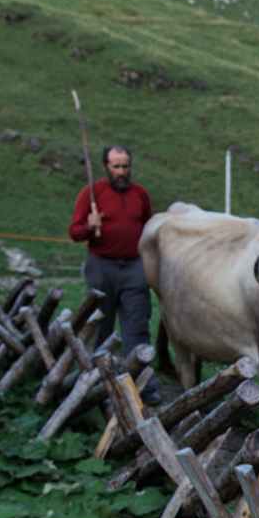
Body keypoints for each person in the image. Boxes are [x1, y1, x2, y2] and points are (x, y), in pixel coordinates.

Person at [68, 144, 161, 405]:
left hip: (134, 266)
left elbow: (147, 227)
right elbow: (74, 232)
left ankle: (143, 385)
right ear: (106, 167)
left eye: (125, 166)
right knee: (100, 326)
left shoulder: (140, 195)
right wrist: (90, 225)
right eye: (116, 166)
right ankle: (96, 383)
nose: (122, 171)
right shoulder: (92, 193)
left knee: (138, 326)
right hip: (101, 266)